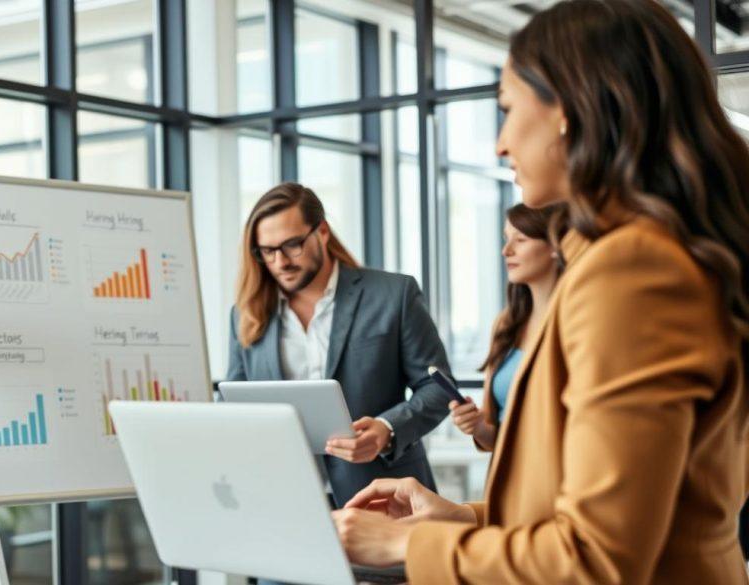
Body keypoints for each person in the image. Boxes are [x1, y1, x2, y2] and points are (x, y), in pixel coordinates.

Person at [330, 0, 749, 582]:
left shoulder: (634, 273)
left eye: (506, 111)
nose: (500, 145)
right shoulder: (628, 261)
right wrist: (457, 519)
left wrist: (405, 548)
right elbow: (604, 517)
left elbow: (596, 559)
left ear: (568, 112)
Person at [227, 182, 453, 508]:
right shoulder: (245, 315)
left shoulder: (393, 295)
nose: (280, 262)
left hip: (383, 493)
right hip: (286, 499)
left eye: (293, 245)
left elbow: (439, 388)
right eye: (267, 251)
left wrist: (387, 429)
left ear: (321, 231)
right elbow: (235, 403)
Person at [449, 203, 567, 451]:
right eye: (506, 239)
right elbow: (499, 441)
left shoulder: (573, 324)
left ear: (556, 246)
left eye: (520, 240)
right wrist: (478, 427)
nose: (506, 251)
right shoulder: (506, 324)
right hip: (510, 483)